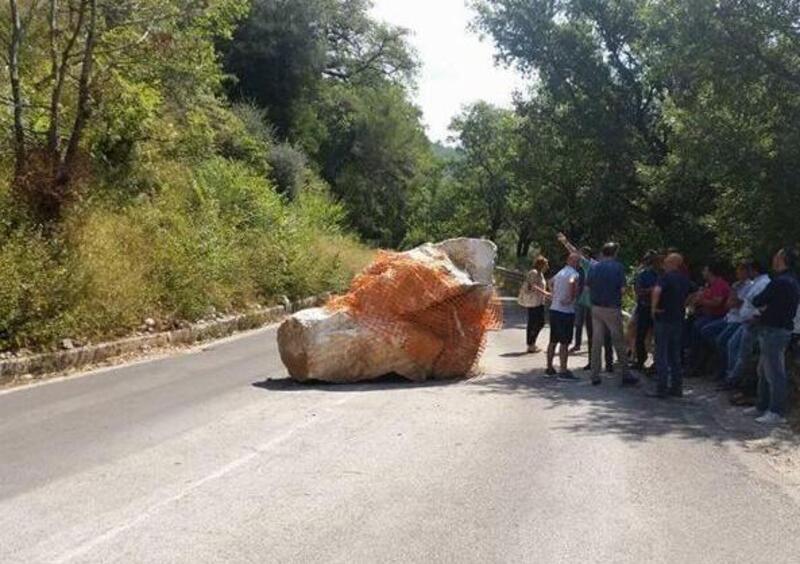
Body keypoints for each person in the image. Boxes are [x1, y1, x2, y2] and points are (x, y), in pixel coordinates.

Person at [748, 247, 800, 425]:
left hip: (774, 330)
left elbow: (757, 300)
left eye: (777, 256)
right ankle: (762, 405)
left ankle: (776, 411)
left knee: (774, 372)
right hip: (779, 329)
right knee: (764, 370)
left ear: (782, 259)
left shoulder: (780, 282)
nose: (773, 259)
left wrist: (765, 308)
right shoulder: (792, 280)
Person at [557, 234, 613, 372]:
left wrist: (565, 242)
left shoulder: (591, 266)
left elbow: (574, 252)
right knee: (603, 335)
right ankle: (608, 363)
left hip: (591, 304)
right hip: (604, 304)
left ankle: (594, 363)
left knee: (593, 335)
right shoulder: (610, 268)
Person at [586, 242, 638, 386]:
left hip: (596, 307)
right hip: (612, 307)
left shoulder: (594, 266)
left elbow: (588, 285)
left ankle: (595, 375)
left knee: (596, 342)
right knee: (618, 341)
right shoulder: (618, 267)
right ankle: (626, 374)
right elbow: (622, 289)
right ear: (615, 253)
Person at [648, 253, 691, 398]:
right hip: (678, 319)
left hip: (664, 318)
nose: (664, 264)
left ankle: (662, 388)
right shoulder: (684, 279)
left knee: (661, 354)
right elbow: (696, 292)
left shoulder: (665, 277)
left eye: (666, 262)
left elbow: (657, 290)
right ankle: (677, 388)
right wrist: (685, 304)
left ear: (673, 263)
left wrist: (653, 308)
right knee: (675, 354)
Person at [688, 264, 731, 375]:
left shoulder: (719, 284)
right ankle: (694, 361)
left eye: (705, 270)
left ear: (710, 272)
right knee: (691, 325)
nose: (703, 272)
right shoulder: (708, 285)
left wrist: (700, 301)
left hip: (719, 316)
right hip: (708, 315)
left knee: (700, 328)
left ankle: (699, 363)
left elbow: (717, 302)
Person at [546, 253, 581, 381]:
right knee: (565, 342)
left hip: (554, 309)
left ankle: (549, 368)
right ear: (574, 262)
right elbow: (572, 282)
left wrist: (553, 293)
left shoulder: (561, 272)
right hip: (566, 312)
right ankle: (563, 370)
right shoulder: (574, 274)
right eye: (577, 261)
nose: (578, 264)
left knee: (553, 340)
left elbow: (550, 282)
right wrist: (571, 297)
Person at [518, 255, 551, 353]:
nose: (547, 266)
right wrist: (545, 293)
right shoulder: (534, 272)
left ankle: (532, 343)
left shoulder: (540, 274)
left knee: (538, 323)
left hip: (539, 302)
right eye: (546, 264)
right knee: (535, 323)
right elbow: (533, 285)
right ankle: (531, 344)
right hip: (533, 302)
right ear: (541, 264)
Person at [633, 251, 659, 370]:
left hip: (654, 308)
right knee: (641, 335)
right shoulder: (642, 274)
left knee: (655, 336)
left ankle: (654, 362)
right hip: (645, 307)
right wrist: (651, 290)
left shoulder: (659, 274)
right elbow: (638, 292)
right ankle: (641, 360)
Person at [570, 246, 594, 353]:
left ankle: (591, 347)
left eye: (581, 254)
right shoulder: (579, 267)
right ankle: (577, 344)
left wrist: (565, 242)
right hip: (580, 297)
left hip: (590, 298)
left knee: (590, 324)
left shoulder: (593, 265)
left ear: (586, 255)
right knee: (578, 322)